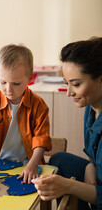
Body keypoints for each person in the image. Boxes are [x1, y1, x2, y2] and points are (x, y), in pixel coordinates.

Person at [32, 37, 102, 210]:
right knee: (59, 159)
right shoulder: (91, 108)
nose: (69, 93)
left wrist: (69, 186)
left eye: (76, 84)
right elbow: (95, 155)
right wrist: (90, 166)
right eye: (67, 83)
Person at [0, 44, 51, 185]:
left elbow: (41, 139)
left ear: (30, 78)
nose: (8, 89)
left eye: (16, 83)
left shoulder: (39, 105)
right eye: (3, 82)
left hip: (29, 163)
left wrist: (31, 165)